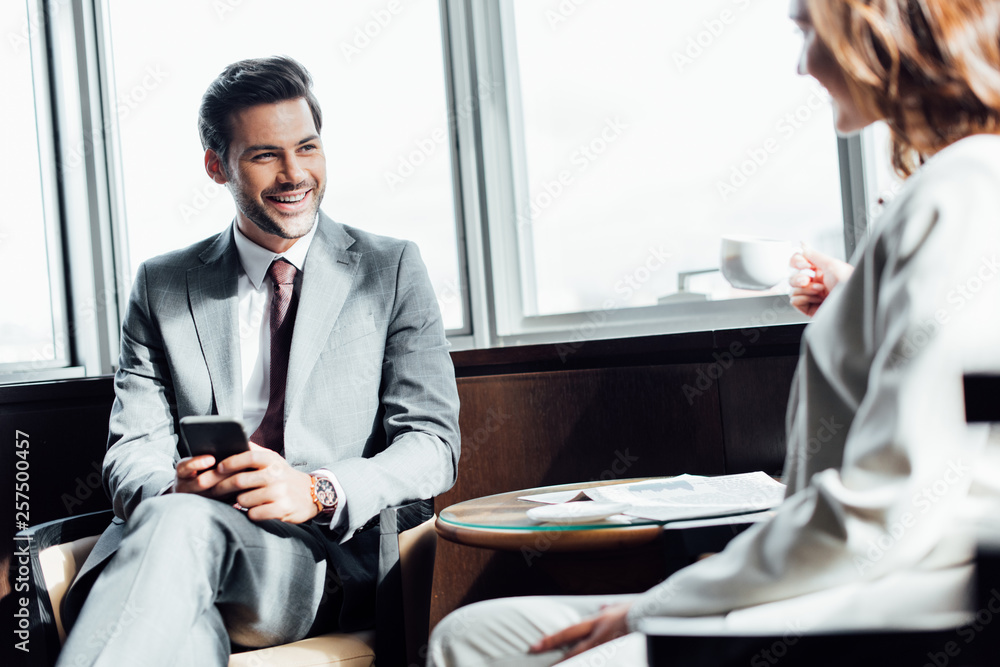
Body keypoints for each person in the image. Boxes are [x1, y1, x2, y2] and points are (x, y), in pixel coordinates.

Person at [427, 0, 1000, 664]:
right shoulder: (956, 190)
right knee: (469, 636)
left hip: (887, 606)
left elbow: (880, 512)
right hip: (844, 582)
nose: (802, 63)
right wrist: (859, 303)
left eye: (808, 33)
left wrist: (654, 605)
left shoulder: (962, 191)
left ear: (878, 34)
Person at [55, 56, 461, 666]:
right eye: (265, 155)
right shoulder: (162, 285)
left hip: (311, 562)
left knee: (178, 531)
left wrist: (319, 489)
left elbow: (434, 442)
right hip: (173, 549)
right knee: (184, 630)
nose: (295, 173)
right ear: (218, 167)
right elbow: (130, 448)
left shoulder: (391, 269)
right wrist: (172, 483)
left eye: (307, 147)